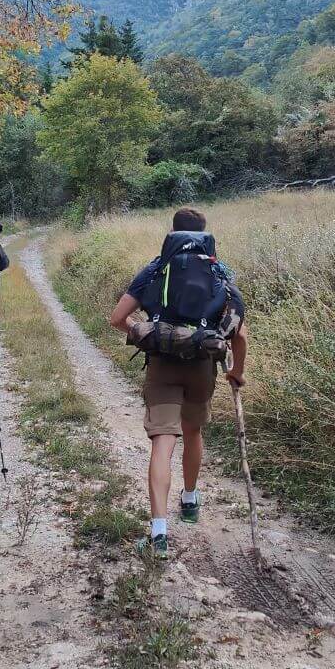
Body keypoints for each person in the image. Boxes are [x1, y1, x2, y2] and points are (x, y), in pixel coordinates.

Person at [109, 206, 247, 559]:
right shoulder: (219, 272)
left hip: (162, 367)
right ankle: (189, 499)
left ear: (172, 233)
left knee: (162, 442)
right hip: (202, 367)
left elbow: (118, 318)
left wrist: (149, 335)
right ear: (205, 233)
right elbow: (239, 335)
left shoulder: (156, 269)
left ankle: (158, 535)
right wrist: (236, 372)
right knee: (193, 432)